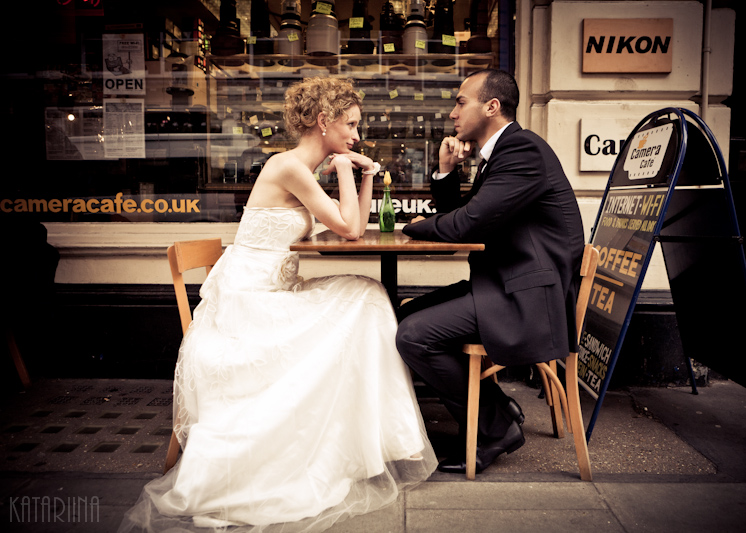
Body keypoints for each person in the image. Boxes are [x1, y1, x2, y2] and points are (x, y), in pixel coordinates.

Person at [119, 77, 437, 533]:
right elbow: (349, 230)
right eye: (349, 124)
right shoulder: (287, 166)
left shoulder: (300, 171)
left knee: (368, 295)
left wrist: (365, 174)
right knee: (366, 301)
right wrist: (347, 169)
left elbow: (355, 221)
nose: (355, 135)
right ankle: (358, 441)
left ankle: (368, 440)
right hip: (250, 303)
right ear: (323, 122)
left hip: (274, 294)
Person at [396, 69, 584, 475]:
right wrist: (446, 171)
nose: (452, 113)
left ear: (492, 106)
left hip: (528, 297)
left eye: (461, 102)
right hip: (503, 283)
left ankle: (497, 429)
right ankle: (498, 408)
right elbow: (459, 219)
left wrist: (405, 227)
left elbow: (466, 225)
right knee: (403, 317)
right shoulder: (500, 156)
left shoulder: (522, 151)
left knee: (414, 336)